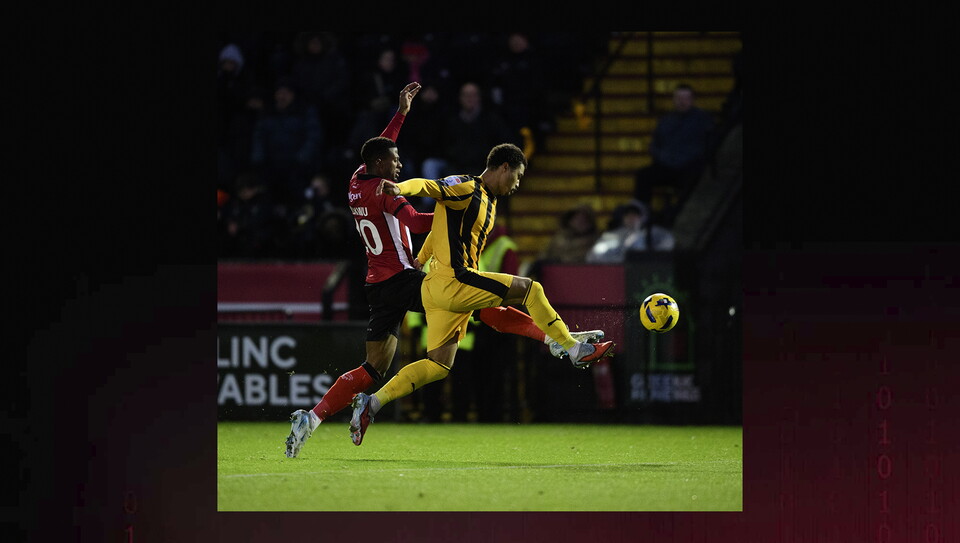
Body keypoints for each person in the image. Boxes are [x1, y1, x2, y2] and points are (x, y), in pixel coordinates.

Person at [284, 84, 600, 457]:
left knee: (373, 369)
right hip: (404, 278)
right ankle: (557, 341)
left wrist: (401, 112)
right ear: (382, 167)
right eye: (395, 161)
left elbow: (380, 145)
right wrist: (456, 216)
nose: (399, 164)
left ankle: (313, 418)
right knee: (477, 303)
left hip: (376, 283)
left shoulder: (357, 180)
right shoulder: (386, 191)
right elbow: (418, 224)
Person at [348, 143, 616, 445]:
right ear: (504, 167)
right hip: (456, 281)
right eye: (516, 176)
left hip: (437, 289)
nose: (517, 184)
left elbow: (439, 229)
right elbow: (429, 185)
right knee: (531, 289)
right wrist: (400, 188)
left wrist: (420, 259)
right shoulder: (465, 186)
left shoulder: (489, 201)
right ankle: (571, 347)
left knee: (438, 365)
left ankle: (372, 403)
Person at [633, 84, 714, 226]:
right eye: (679, 98)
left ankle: (683, 217)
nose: (682, 101)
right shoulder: (666, 120)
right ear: (674, 99)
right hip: (666, 166)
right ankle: (641, 216)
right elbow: (654, 144)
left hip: (689, 167)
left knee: (695, 178)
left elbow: (706, 146)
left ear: (692, 99)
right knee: (643, 176)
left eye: (686, 98)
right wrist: (662, 156)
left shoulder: (703, 120)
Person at [586, 200, 675, 263]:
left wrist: (648, 258)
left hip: (646, 272)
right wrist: (621, 261)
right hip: (618, 275)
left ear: (643, 217)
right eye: (628, 214)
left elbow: (668, 244)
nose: (631, 217)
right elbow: (593, 256)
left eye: (635, 214)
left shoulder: (654, 234)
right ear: (623, 218)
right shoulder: (612, 236)